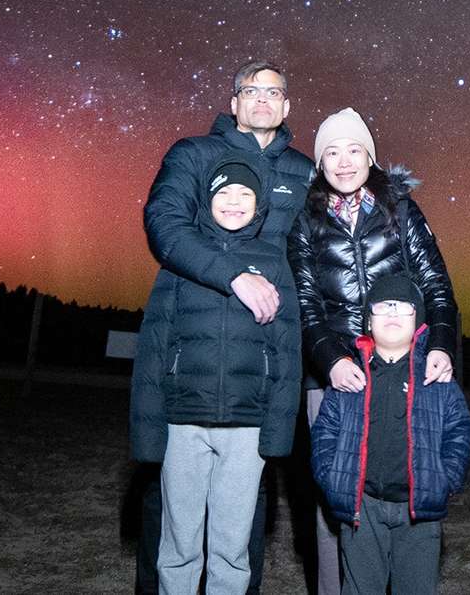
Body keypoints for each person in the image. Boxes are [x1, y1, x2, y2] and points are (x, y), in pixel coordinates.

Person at [131, 61, 315, 595]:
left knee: (242, 524)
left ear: (286, 106)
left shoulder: (303, 173)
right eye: (249, 90)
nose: (261, 99)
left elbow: (323, 246)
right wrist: (234, 275)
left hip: (254, 371)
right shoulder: (193, 154)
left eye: (273, 91)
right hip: (190, 356)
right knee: (170, 523)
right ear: (233, 103)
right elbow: (165, 227)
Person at [290, 107, 461, 595]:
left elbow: (437, 285)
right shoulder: (306, 219)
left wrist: (442, 346)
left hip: (402, 369)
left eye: (354, 150)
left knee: (407, 484)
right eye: (331, 153)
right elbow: (306, 301)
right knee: (335, 498)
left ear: (371, 156)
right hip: (337, 377)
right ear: (320, 163)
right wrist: (330, 361)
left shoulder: (401, 209)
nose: (344, 162)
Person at [309, 272, 470, 595]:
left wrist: (445, 479)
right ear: (369, 320)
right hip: (362, 509)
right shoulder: (350, 376)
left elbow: (460, 431)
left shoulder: (435, 376)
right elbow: (324, 433)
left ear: (419, 320)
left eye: (403, 307)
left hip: (418, 512)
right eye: (384, 306)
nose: (394, 313)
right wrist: (332, 479)